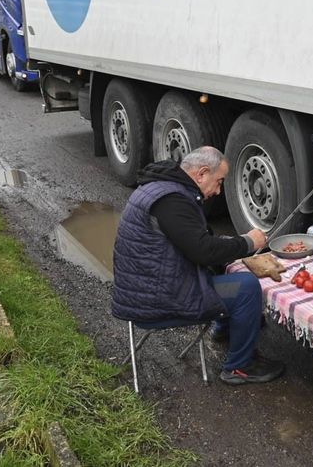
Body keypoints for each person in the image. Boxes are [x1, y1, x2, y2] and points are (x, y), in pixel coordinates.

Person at [111, 146, 285, 385]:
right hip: (157, 299)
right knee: (246, 286)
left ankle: (224, 328)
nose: (218, 190)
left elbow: (191, 241)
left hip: (148, 287)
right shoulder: (172, 200)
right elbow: (202, 251)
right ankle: (240, 367)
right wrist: (247, 242)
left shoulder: (162, 187)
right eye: (219, 181)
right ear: (202, 173)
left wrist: (224, 246)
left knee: (225, 266)